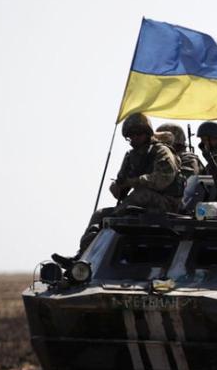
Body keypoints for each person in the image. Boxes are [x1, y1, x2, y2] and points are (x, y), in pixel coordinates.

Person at [52, 113, 185, 265]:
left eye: (138, 134)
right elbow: (120, 189)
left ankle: (110, 221)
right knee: (100, 214)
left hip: (168, 205)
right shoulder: (131, 156)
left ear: (147, 133)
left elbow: (163, 180)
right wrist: (117, 186)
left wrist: (133, 182)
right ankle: (81, 256)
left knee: (141, 194)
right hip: (138, 205)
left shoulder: (161, 151)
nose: (134, 138)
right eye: (131, 135)